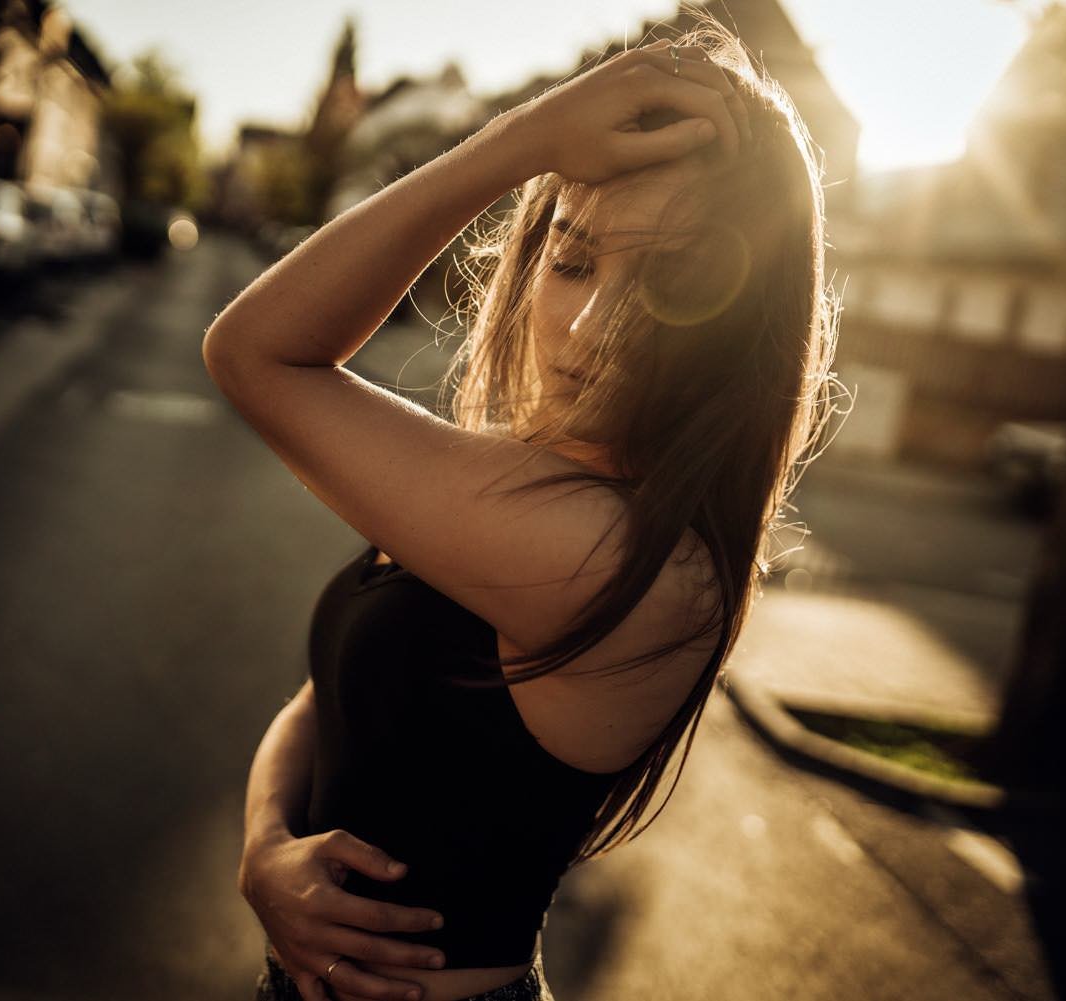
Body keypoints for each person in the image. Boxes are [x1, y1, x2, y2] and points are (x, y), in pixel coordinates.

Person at [205, 21, 840, 1001]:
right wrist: (263, 849)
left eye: (667, 285)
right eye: (574, 259)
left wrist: (521, 141)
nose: (586, 325)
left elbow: (256, 352)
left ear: (737, 328)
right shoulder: (524, 478)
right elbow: (323, 700)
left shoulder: (623, 553)